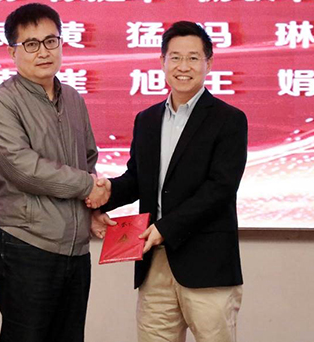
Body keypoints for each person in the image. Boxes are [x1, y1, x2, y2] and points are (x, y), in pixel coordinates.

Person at [91, 21, 248, 342]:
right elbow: (138, 179)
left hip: (207, 267)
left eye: (193, 58)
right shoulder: (147, 120)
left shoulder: (229, 120)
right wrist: (106, 193)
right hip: (155, 265)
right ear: (162, 62)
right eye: (175, 58)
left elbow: (220, 189)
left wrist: (165, 228)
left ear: (209, 63)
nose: (183, 67)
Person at [0, 3, 110, 342]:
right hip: (27, 247)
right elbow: (23, 168)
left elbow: (87, 158)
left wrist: (93, 209)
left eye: (51, 41)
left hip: (75, 251)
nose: (43, 52)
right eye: (31, 44)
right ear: (12, 52)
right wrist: (88, 187)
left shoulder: (73, 98)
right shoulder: (1, 102)